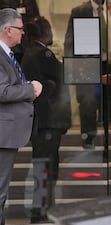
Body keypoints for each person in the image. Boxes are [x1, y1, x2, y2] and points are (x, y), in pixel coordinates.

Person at [21, 16, 71, 223]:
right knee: (47, 170)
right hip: (48, 123)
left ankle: (41, 209)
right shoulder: (43, 54)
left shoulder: (30, 53)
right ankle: (42, 211)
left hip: (41, 123)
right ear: (45, 32)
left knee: (43, 169)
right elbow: (63, 75)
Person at [0, 8, 42, 225]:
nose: (23, 33)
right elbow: (2, 91)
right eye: (20, 29)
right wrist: (30, 89)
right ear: (8, 30)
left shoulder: (7, 53)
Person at [64, 0, 107, 149]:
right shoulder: (79, 11)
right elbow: (70, 38)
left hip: (108, 64)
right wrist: (71, 64)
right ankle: (89, 136)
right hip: (85, 63)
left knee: (107, 101)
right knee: (87, 102)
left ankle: (109, 140)